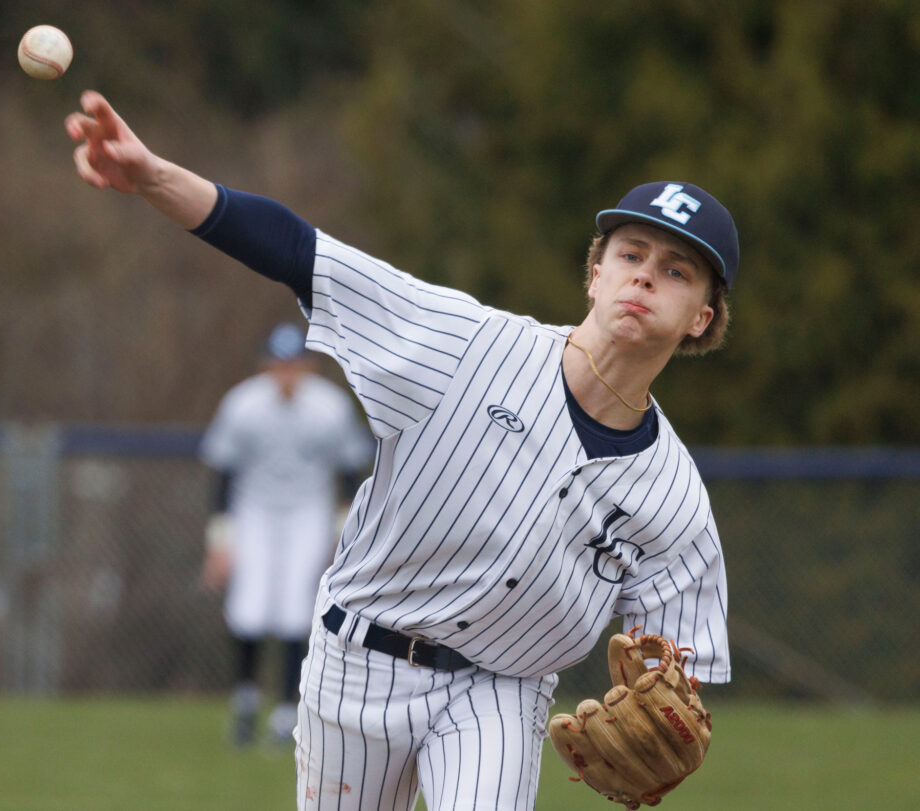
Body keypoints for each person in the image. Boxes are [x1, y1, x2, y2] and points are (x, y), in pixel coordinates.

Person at [66, 91, 735, 811]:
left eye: (675, 269)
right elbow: (299, 251)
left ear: (702, 316)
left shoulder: (673, 496)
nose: (644, 274)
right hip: (359, 659)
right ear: (596, 273)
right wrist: (153, 175)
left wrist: (670, 714)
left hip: (501, 693)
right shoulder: (461, 343)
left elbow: (677, 667)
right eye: (630, 253)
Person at [198, 321, 374, 745]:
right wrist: (219, 543)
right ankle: (244, 701)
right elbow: (221, 475)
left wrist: (341, 537)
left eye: (293, 364)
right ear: (265, 366)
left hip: (307, 511)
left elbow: (350, 475)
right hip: (254, 510)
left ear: (308, 367)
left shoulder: (329, 406)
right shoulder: (242, 404)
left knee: (297, 607)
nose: (286, 373)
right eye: (279, 364)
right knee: (250, 605)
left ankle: (283, 712)